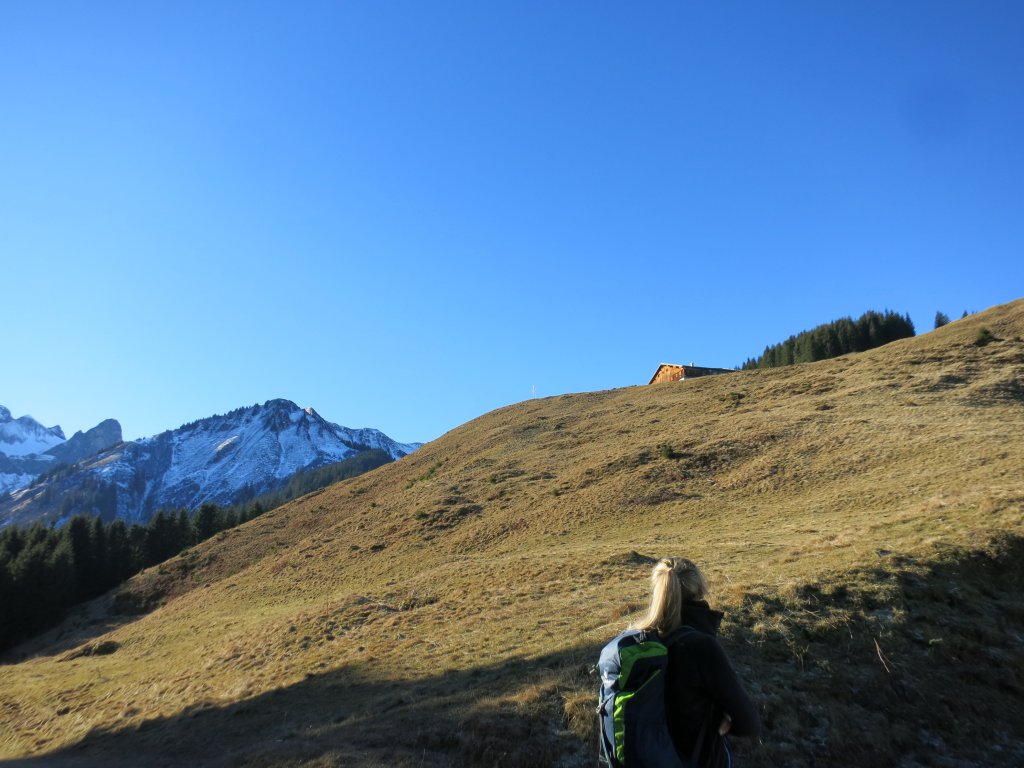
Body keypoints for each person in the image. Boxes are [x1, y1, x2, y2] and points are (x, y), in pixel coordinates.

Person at [633, 557, 760, 767]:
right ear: (700, 590)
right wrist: (724, 717)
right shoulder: (701, 647)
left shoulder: (638, 641)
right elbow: (749, 722)